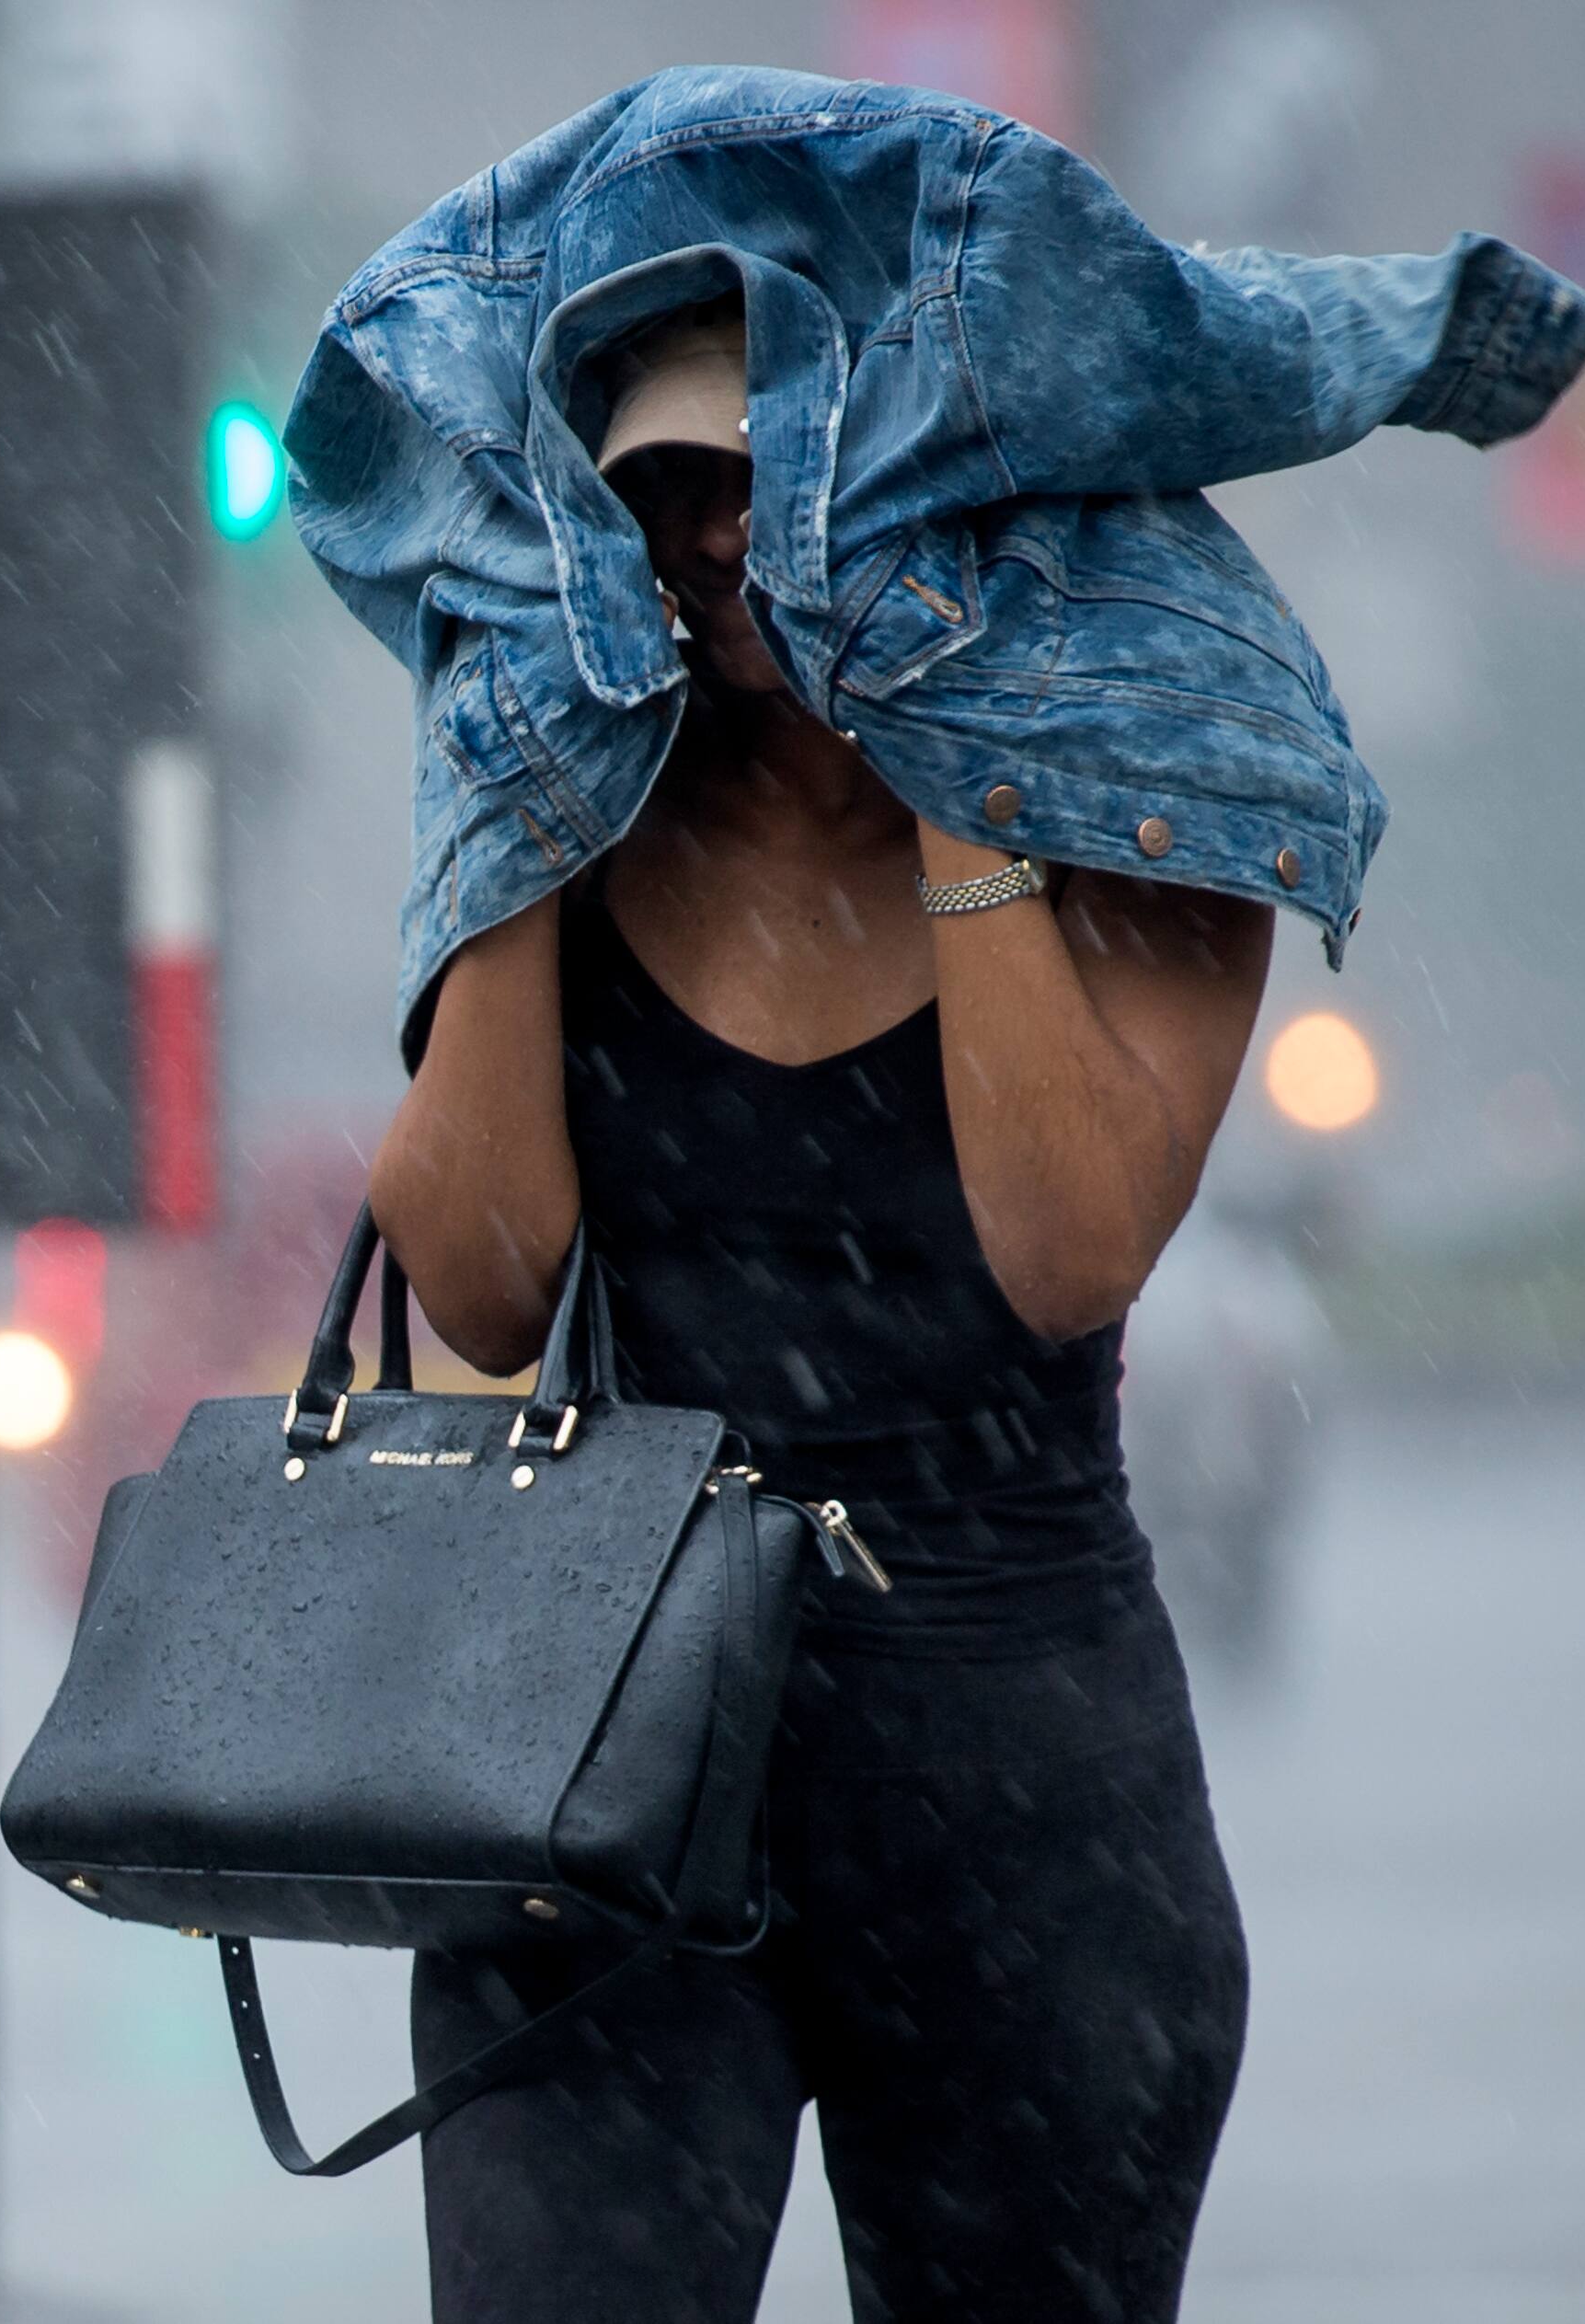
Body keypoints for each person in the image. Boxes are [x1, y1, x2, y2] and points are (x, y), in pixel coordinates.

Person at [368, 309, 1268, 2322]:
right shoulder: (584, 808)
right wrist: (518, 823)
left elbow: (1063, 1254)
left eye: (778, 486)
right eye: (669, 489)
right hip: (604, 1763)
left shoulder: (1159, 822)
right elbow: (485, 1289)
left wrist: (957, 771)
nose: (716, 541)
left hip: (1025, 1786)